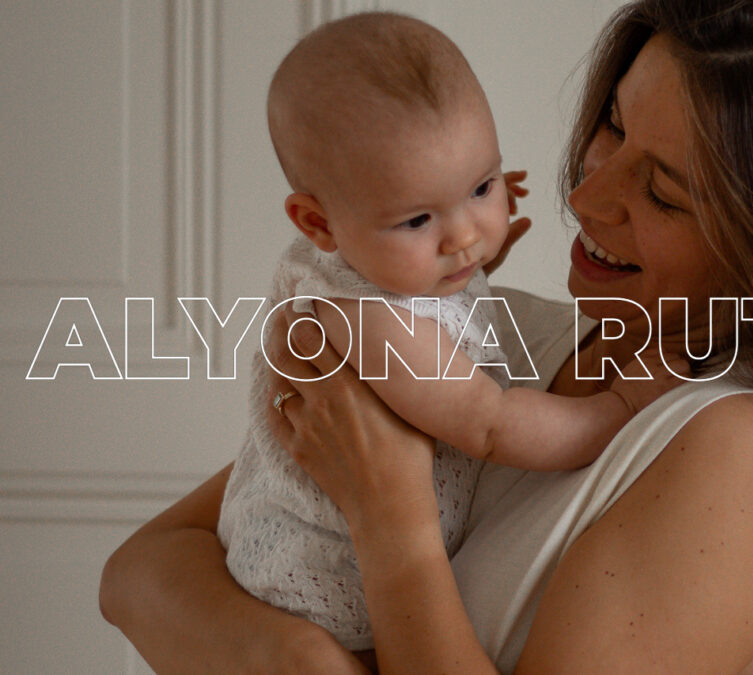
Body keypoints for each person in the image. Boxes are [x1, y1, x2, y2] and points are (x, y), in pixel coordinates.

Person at [99, 1, 753, 673]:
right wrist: (304, 661)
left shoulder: (732, 454)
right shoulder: (497, 329)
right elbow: (138, 571)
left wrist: (395, 527)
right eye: (612, 126)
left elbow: (178, 587)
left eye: (663, 192)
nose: (587, 196)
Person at [218, 12, 684, 653]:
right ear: (318, 224)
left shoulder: (382, 266)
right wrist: (620, 408)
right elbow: (488, 423)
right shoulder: (366, 318)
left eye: (482, 188)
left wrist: (463, 263)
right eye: (418, 220)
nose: (465, 236)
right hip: (321, 584)